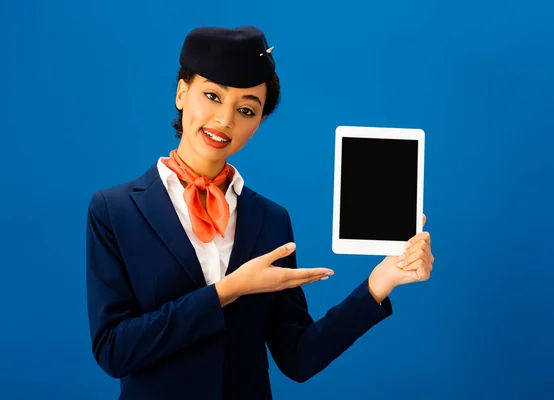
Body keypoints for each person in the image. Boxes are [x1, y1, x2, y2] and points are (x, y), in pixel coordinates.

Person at [85, 25, 434, 400]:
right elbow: (114, 351)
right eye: (212, 96)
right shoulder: (115, 210)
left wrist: (380, 283)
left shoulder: (271, 219)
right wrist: (230, 290)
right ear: (181, 92)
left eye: (246, 109)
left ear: (259, 122)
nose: (225, 120)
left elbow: (299, 358)